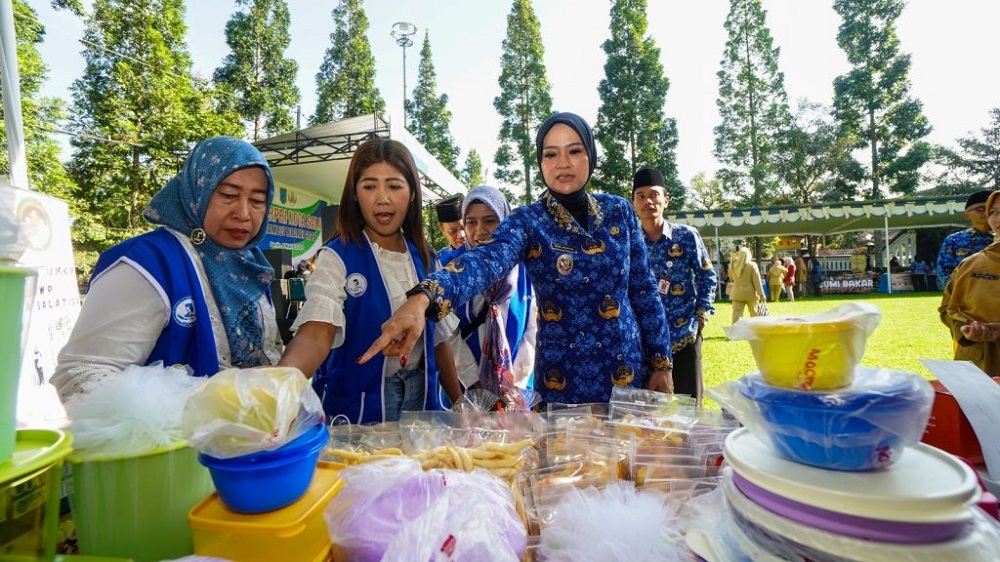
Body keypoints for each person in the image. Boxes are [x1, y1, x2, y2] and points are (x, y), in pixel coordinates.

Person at [359, 112, 673, 405]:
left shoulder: (618, 212)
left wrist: (661, 361)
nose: (563, 162)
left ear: (590, 155)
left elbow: (643, 289)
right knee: (568, 463)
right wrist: (425, 296)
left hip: (626, 372)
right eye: (551, 154)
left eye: (574, 151)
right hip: (564, 381)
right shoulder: (529, 222)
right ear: (541, 161)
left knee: (628, 463)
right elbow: (484, 260)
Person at [52, 136, 282, 400]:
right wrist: (209, 402)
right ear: (197, 190)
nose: (243, 213)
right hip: (167, 441)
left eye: (257, 201)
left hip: (250, 438)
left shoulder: (250, 267)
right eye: (228, 195)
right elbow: (80, 376)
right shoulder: (149, 263)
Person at [278, 138, 461, 423]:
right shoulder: (337, 257)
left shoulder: (427, 259)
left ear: (412, 193)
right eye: (369, 186)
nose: (382, 198)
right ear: (354, 194)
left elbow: (438, 341)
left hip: (422, 402)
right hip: (359, 409)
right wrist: (279, 385)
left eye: (394, 185)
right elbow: (316, 334)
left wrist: (461, 403)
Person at [632, 167, 716, 401]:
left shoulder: (687, 236)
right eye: (641, 196)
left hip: (684, 336)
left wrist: (701, 315)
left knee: (689, 405)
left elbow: (707, 276)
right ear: (634, 203)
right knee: (648, 412)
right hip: (645, 342)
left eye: (654, 194)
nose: (648, 201)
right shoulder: (631, 243)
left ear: (665, 200)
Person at [449, 185, 538, 396]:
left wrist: (516, 383)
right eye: (471, 222)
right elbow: (447, 335)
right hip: (466, 387)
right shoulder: (450, 267)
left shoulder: (523, 267)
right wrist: (475, 382)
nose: (479, 230)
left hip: (516, 387)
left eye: (490, 220)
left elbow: (532, 329)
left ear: (504, 221)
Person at [939, 190, 1000, 376]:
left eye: (986, 209)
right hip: (978, 359)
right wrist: (966, 328)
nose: (996, 218)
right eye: (994, 212)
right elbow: (948, 304)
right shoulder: (967, 259)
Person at [936, 190, 994, 290]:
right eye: (980, 209)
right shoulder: (954, 240)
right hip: (965, 298)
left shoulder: (997, 238)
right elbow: (943, 271)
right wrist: (962, 290)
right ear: (966, 215)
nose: (986, 212)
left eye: (991, 209)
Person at [728, 246, 765, 323]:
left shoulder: (733, 265)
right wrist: (761, 294)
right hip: (751, 294)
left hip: (737, 293)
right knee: (755, 314)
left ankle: (735, 332)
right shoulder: (752, 265)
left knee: (736, 315)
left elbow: (731, 276)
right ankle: (757, 330)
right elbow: (757, 281)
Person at [435, 193, 466, 265]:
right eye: (453, 231)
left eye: (464, 228)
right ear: (442, 230)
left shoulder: (484, 252)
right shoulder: (438, 261)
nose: (461, 235)